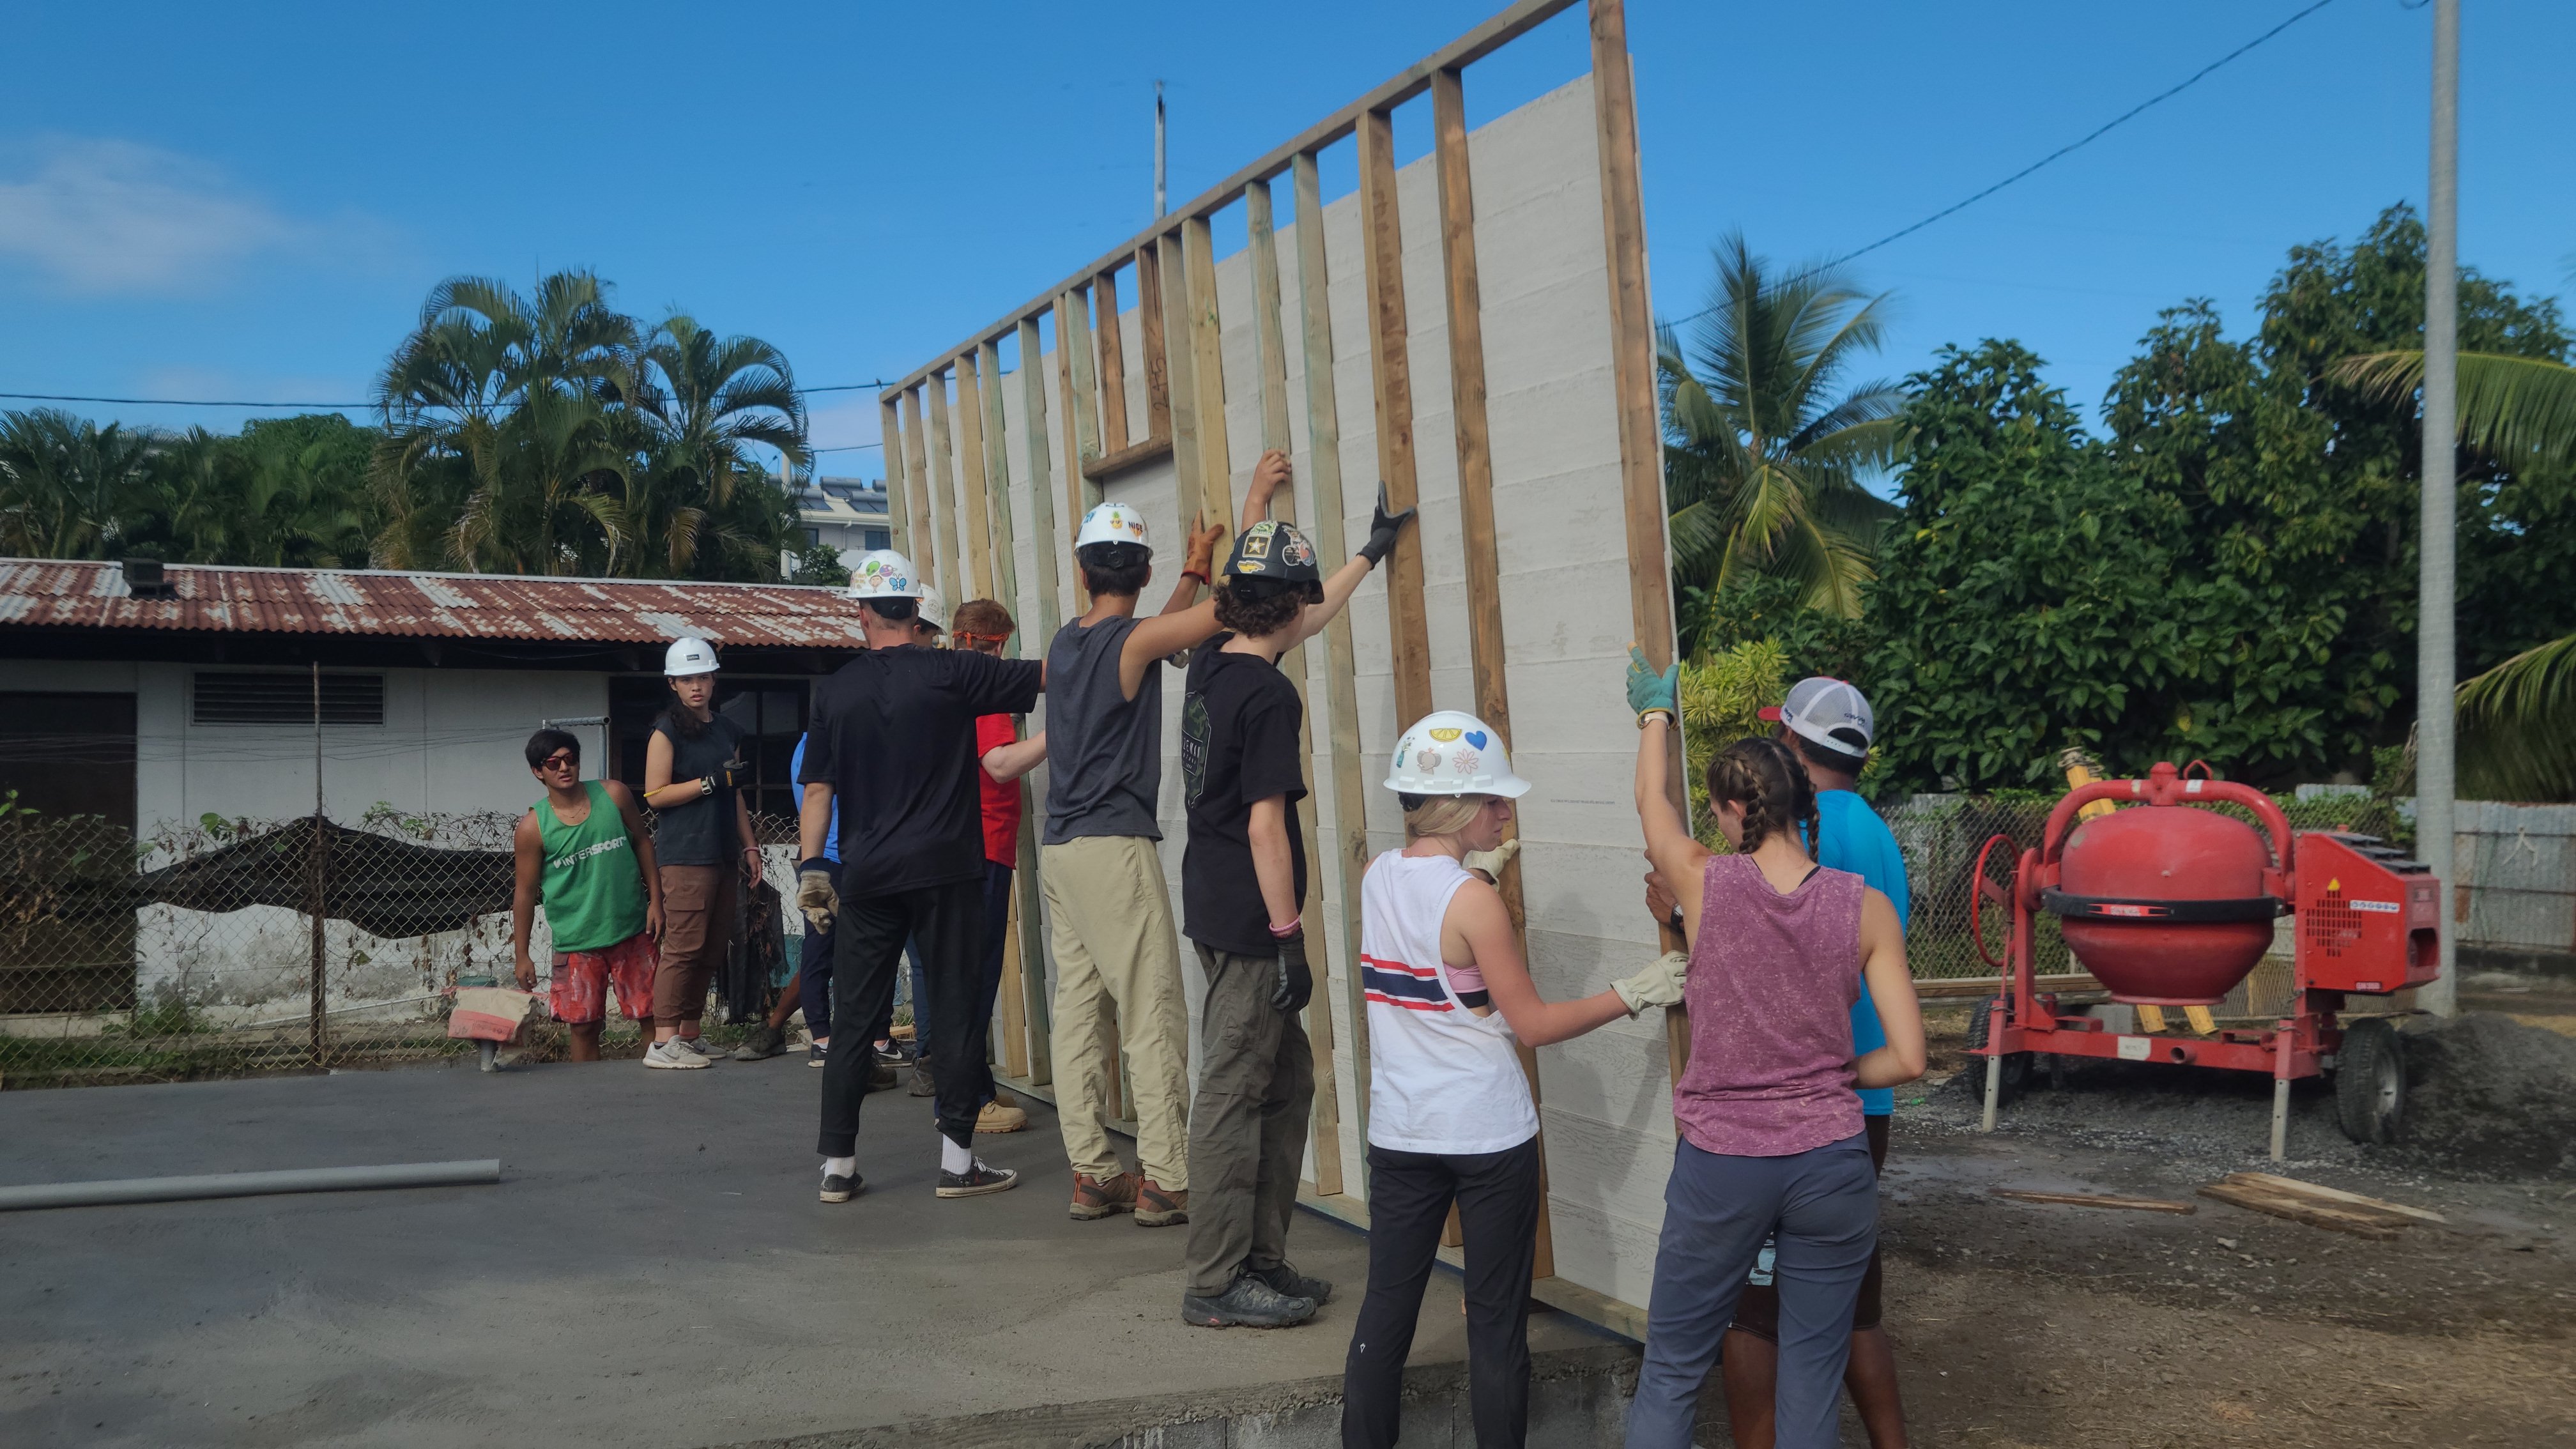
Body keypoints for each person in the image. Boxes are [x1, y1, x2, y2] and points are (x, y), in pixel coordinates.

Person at [1340, 711, 1686, 1448]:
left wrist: (1471, 876)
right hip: (1488, 1133)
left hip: (1402, 1132)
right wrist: (1634, 992)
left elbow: (1431, 948)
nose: (1506, 812)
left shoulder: (1375, 877)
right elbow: (1530, 1025)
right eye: (1495, 801)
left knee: (1386, 1312)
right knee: (1496, 1322)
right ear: (1458, 808)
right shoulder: (1475, 903)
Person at [1620, 649, 1926, 1449]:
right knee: (1814, 1381)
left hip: (1724, 1162)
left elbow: (1651, 802)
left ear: (1733, 808)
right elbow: (1913, 1058)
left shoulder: (1704, 882)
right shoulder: (1863, 909)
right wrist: (1830, 1079)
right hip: (1831, 1157)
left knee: (1673, 1371)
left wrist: (1654, 715)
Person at [1177, 491, 1414, 1330]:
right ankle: (1215, 1282)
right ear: (1292, 602)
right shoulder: (1271, 701)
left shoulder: (1215, 657)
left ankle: (1261, 1260)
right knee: (1235, 1093)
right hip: (1252, 922)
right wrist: (1289, 941)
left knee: (1285, 1085)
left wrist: (1370, 552)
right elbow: (1266, 823)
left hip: (1212, 903)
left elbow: (1300, 620)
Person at [797, 549, 1046, 1204]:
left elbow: (818, 791)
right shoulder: (954, 671)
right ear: (915, 611)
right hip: (947, 870)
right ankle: (958, 1163)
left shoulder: (835, 691)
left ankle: (838, 1168)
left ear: (862, 613)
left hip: (868, 873)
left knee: (855, 1017)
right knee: (958, 1006)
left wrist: (811, 867)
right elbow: (1049, 677)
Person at [1038, 482, 1239, 1226]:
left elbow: (1159, 632)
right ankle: (1165, 1177)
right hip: (1113, 852)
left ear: (1083, 573)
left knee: (1080, 1010)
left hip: (1061, 851)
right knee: (1152, 1010)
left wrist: (1188, 569)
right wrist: (1242, 556)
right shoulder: (1133, 642)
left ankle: (1093, 1174)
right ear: (1143, 573)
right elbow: (1201, 622)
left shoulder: (1067, 640)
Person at [949, 596, 1048, 1136]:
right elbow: (1000, 764)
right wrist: (1061, 734)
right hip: (984, 845)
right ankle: (974, 1098)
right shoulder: (984, 692)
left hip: (970, 844)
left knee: (962, 974)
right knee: (977, 975)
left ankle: (965, 1088)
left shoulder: (950, 683)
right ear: (996, 644)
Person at [638, 636, 761, 1070]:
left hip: (724, 849)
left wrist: (749, 845)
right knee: (684, 947)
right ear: (672, 683)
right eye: (687, 679)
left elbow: (737, 794)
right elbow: (655, 793)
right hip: (686, 852)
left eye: (703, 677)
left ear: (713, 680)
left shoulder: (728, 730)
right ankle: (663, 1042)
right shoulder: (665, 730)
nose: (696, 686)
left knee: (712, 946)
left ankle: (688, 1034)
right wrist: (710, 783)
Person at [509, 729, 662, 1062]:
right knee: (583, 1026)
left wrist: (657, 902)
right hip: (577, 941)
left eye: (570, 759)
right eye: (553, 763)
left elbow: (643, 842)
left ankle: (656, 1094)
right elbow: (524, 894)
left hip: (632, 930)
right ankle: (587, 1099)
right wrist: (522, 954)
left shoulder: (614, 795)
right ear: (538, 771)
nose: (564, 768)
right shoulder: (533, 828)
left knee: (652, 1014)